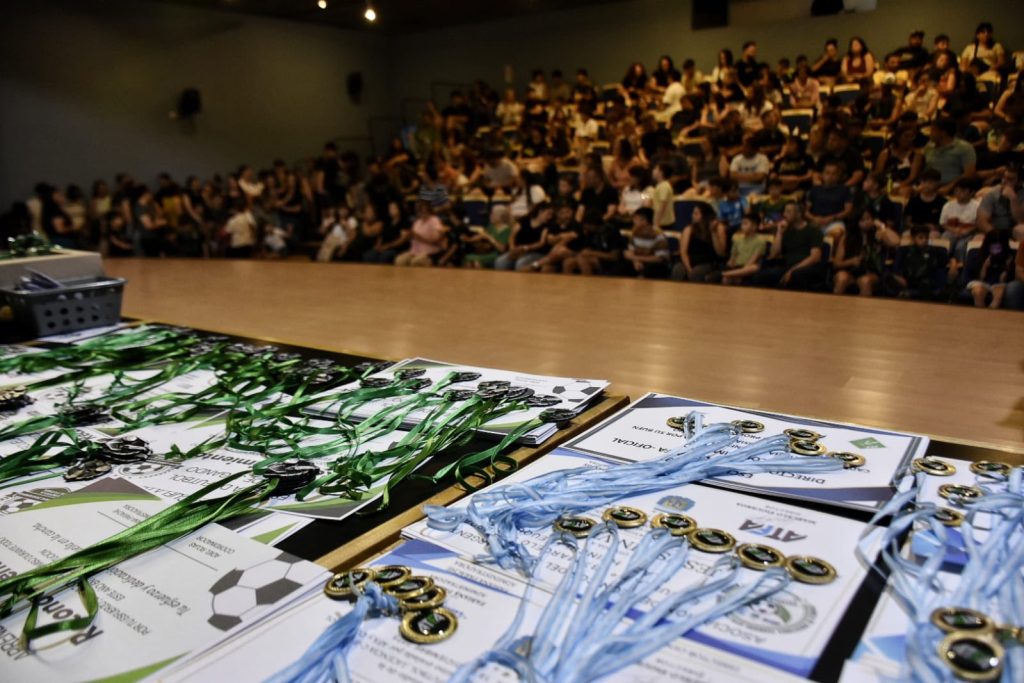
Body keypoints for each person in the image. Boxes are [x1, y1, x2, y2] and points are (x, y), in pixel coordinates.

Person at [754, 201, 825, 290]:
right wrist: (779, 232)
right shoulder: (786, 230)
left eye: (788, 212)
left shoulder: (813, 231)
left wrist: (792, 270)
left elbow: (815, 257)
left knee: (796, 276)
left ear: (799, 214)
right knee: (762, 276)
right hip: (788, 267)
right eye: (784, 211)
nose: (784, 214)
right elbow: (773, 255)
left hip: (807, 268)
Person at [832, 207, 900, 296]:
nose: (867, 222)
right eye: (863, 220)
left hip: (872, 272)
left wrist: (882, 226)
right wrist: (850, 261)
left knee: (865, 281)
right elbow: (837, 263)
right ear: (856, 222)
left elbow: (896, 241)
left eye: (869, 218)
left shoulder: (879, 234)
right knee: (842, 278)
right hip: (850, 271)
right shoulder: (847, 237)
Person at [672, 202, 726, 283]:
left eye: (696, 214)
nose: (693, 216)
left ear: (705, 215)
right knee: (678, 270)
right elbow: (683, 252)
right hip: (690, 259)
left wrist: (713, 232)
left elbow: (720, 252)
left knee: (695, 274)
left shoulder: (718, 228)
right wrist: (688, 268)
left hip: (707, 262)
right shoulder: (689, 229)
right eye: (693, 213)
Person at [890, 225, 947, 300]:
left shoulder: (934, 251)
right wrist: (898, 276)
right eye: (921, 237)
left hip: (924, 282)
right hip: (906, 280)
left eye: (926, 237)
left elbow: (932, 270)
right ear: (913, 238)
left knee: (926, 284)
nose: (924, 240)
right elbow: (896, 268)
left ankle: (911, 295)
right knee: (888, 277)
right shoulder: (904, 250)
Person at [923, 118, 977, 193]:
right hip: (928, 184)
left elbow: (969, 174)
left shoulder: (964, 148)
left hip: (952, 187)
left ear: (943, 133)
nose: (930, 133)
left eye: (933, 130)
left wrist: (950, 186)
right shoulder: (929, 146)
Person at [562, 210, 624, 276]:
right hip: (596, 257)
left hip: (609, 262)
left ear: (592, 224)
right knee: (568, 262)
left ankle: (587, 282)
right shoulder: (591, 233)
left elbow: (614, 257)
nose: (584, 227)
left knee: (582, 260)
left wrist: (592, 253)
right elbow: (589, 248)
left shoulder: (611, 231)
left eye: (586, 225)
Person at [494, 202, 552, 271]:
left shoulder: (547, 226)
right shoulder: (524, 221)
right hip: (517, 249)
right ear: (540, 211)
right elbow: (512, 236)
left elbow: (541, 243)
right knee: (500, 262)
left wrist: (525, 248)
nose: (550, 217)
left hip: (535, 252)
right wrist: (512, 248)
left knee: (521, 263)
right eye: (548, 214)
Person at [964, 229, 1013, 308]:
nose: (995, 251)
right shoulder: (976, 254)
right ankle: (980, 313)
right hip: (979, 281)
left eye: (998, 248)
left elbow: (1004, 280)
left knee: (999, 294)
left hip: (999, 283)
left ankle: (990, 313)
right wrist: (985, 267)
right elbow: (975, 277)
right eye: (993, 248)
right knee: (978, 292)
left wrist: (1006, 269)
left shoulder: (1010, 256)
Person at [807, 160, 853, 239]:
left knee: (836, 234)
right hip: (816, 221)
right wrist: (813, 218)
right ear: (822, 174)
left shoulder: (844, 190)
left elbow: (848, 210)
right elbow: (805, 211)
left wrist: (833, 218)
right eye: (827, 173)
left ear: (838, 176)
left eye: (833, 173)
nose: (830, 176)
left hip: (834, 222)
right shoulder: (815, 190)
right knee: (807, 235)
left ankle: (827, 245)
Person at [939, 179, 981, 266]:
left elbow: (979, 224)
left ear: (971, 192)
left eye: (963, 191)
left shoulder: (977, 206)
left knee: (960, 247)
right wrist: (954, 230)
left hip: (970, 233)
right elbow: (943, 223)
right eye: (957, 191)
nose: (959, 193)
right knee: (944, 242)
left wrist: (966, 231)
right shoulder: (948, 205)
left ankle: (961, 266)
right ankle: (943, 265)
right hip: (951, 231)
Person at [874, 125, 923, 198]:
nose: (909, 139)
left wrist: (898, 186)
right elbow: (878, 173)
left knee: (905, 191)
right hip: (886, 183)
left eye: (912, 136)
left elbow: (912, 177)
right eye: (906, 136)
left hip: (906, 184)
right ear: (898, 137)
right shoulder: (886, 153)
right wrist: (888, 186)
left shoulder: (917, 155)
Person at [394, 200, 448, 267]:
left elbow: (436, 239)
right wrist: (408, 236)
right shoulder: (417, 222)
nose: (422, 213)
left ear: (429, 211)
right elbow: (413, 237)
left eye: (424, 211)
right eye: (420, 211)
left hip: (429, 251)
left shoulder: (434, 220)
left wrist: (419, 237)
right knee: (399, 260)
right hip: (415, 251)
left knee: (416, 262)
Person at [623, 207, 671, 278]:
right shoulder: (635, 233)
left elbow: (659, 259)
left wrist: (636, 257)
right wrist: (636, 261)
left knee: (651, 269)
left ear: (644, 221)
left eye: (636, 218)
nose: (633, 221)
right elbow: (629, 252)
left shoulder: (658, 236)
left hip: (654, 266)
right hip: (639, 262)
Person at [977, 166, 1024, 235]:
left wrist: (1013, 199)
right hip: (994, 233)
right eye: (1004, 177)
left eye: (1010, 179)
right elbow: (981, 222)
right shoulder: (992, 194)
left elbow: (1021, 221)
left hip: (1017, 233)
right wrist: (998, 236)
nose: (1004, 181)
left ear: (1020, 182)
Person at [463, 204, 512, 269]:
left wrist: (490, 238)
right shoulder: (491, 227)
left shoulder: (506, 230)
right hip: (486, 252)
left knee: (475, 260)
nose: (490, 216)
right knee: (468, 257)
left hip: (497, 255)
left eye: (493, 214)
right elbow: (482, 235)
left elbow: (502, 249)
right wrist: (469, 239)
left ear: (500, 217)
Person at [905, 168, 946, 233]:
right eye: (924, 182)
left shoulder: (942, 202)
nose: (926, 185)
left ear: (937, 183)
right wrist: (920, 228)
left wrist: (935, 227)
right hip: (915, 230)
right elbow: (907, 222)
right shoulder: (913, 200)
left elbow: (945, 224)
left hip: (934, 231)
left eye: (930, 182)